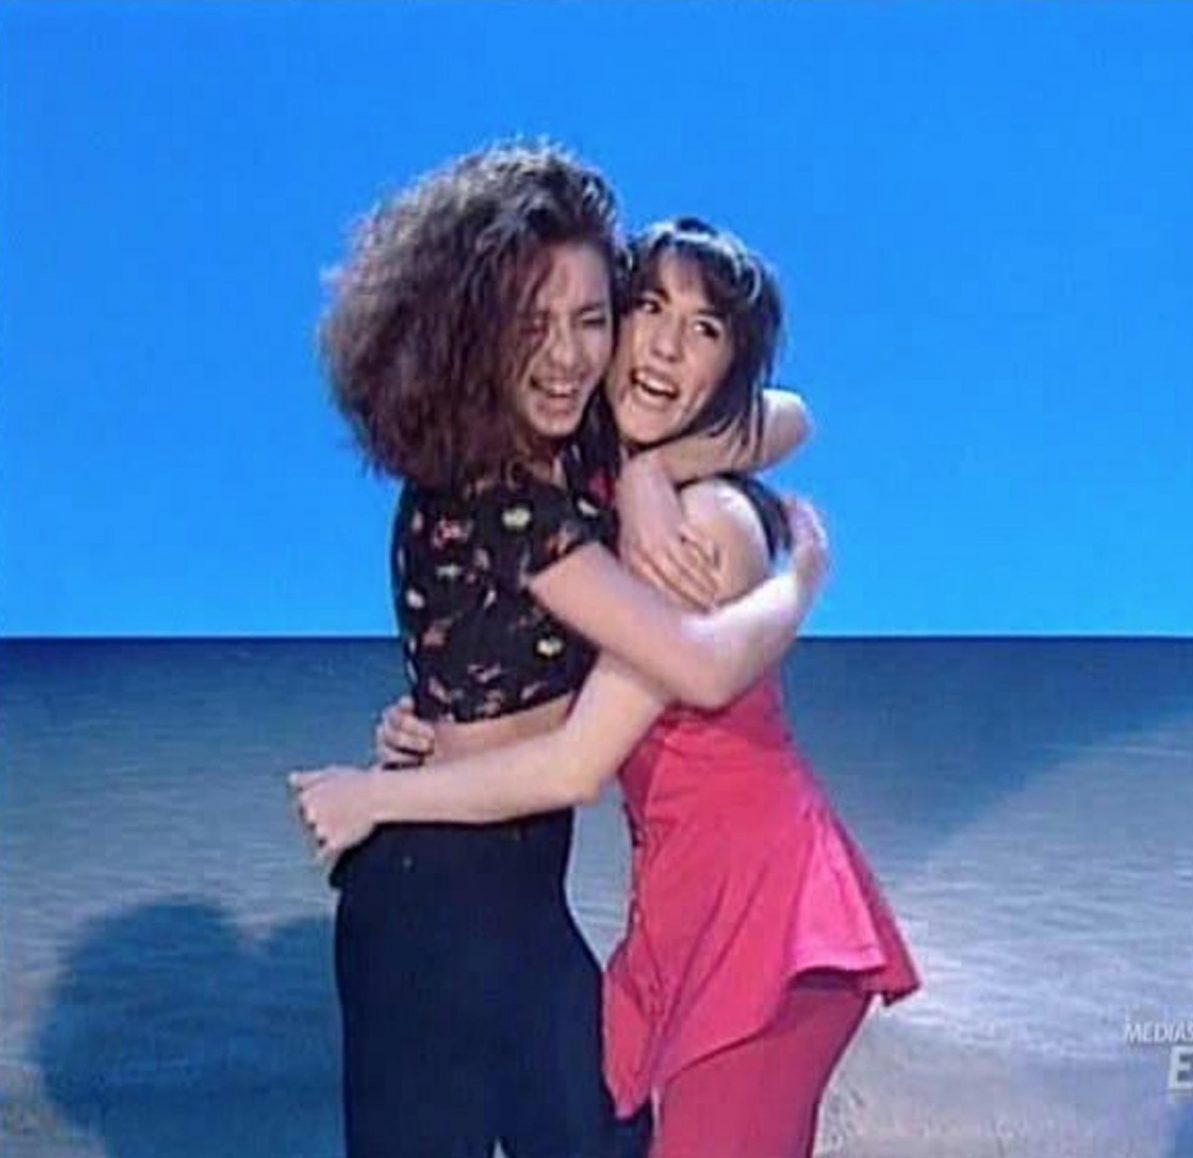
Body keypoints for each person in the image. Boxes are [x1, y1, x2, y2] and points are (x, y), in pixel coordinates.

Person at [297, 217, 919, 1157]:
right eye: (648, 309)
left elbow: (598, 745)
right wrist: (444, 725)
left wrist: (779, 568)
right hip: (657, 906)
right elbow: (582, 694)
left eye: (704, 329)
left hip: (755, 916)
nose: (663, 344)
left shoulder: (685, 522)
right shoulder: (562, 478)